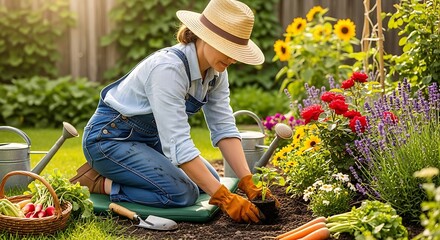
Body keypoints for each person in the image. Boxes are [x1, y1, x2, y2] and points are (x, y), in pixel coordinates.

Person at [70, 0, 279, 224]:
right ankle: (97, 182)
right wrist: (225, 198)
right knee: (183, 194)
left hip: (147, 140)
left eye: (236, 51)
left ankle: (129, 173)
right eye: (227, 49)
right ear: (205, 36)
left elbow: (224, 127)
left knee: (207, 181)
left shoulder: (216, 71)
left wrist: (247, 180)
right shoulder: (168, 70)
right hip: (109, 140)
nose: (232, 58)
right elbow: (178, 144)